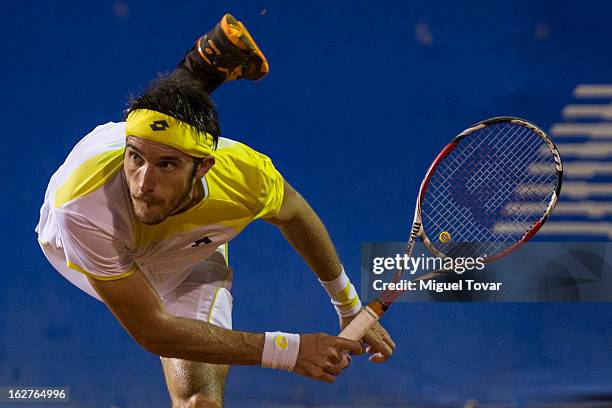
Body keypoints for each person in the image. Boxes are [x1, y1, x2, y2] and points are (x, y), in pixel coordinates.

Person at [36, 13, 395, 407]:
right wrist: (289, 351)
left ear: (204, 167)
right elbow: (152, 330)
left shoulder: (244, 174)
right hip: (85, 242)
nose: (143, 183)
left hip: (190, 253)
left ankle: (201, 69)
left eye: (167, 166)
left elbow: (295, 213)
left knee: (198, 403)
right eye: (134, 159)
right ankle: (198, 71)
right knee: (160, 128)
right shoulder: (82, 208)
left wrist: (348, 306)